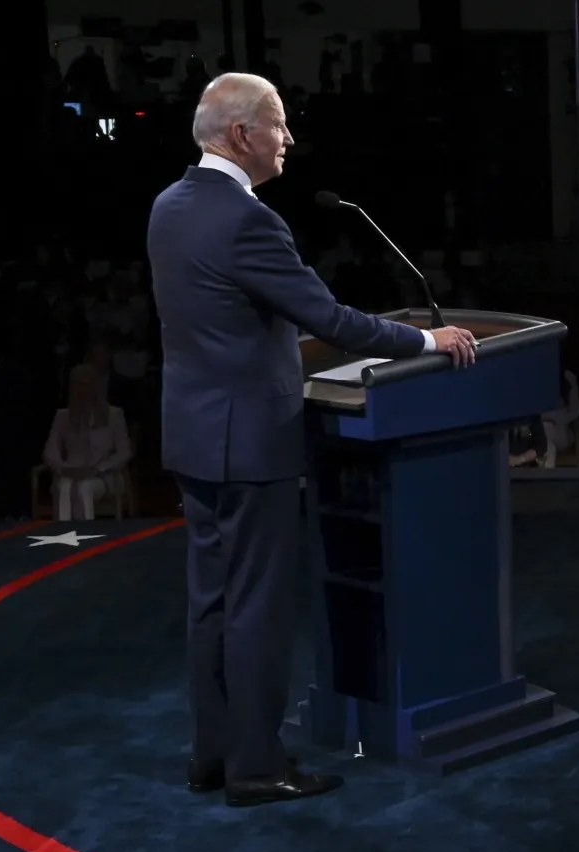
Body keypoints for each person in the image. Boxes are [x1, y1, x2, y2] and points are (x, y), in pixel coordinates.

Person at [148, 72, 480, 807]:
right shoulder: (249, 220)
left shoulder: (167, 207)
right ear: (241, 135)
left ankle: (213, 755)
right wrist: (426, 336)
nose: (289, 138)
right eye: (279, 124)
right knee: (256, 607)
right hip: (250, 443)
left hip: (193, 437)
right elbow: (331, 319)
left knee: (210, 603)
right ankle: (258, 766)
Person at [41, 363, 132, 520]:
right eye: (78, 384)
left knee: (84, 487)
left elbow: (124, 452)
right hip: (71, 471)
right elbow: (50, 451)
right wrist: (64, 468)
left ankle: (85, 534)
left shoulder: (114, 415)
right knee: (64, 486)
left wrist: (98, 469)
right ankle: (63, 534)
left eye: (87, 383)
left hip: (104, 476)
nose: (83, 389)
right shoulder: (62, 416)